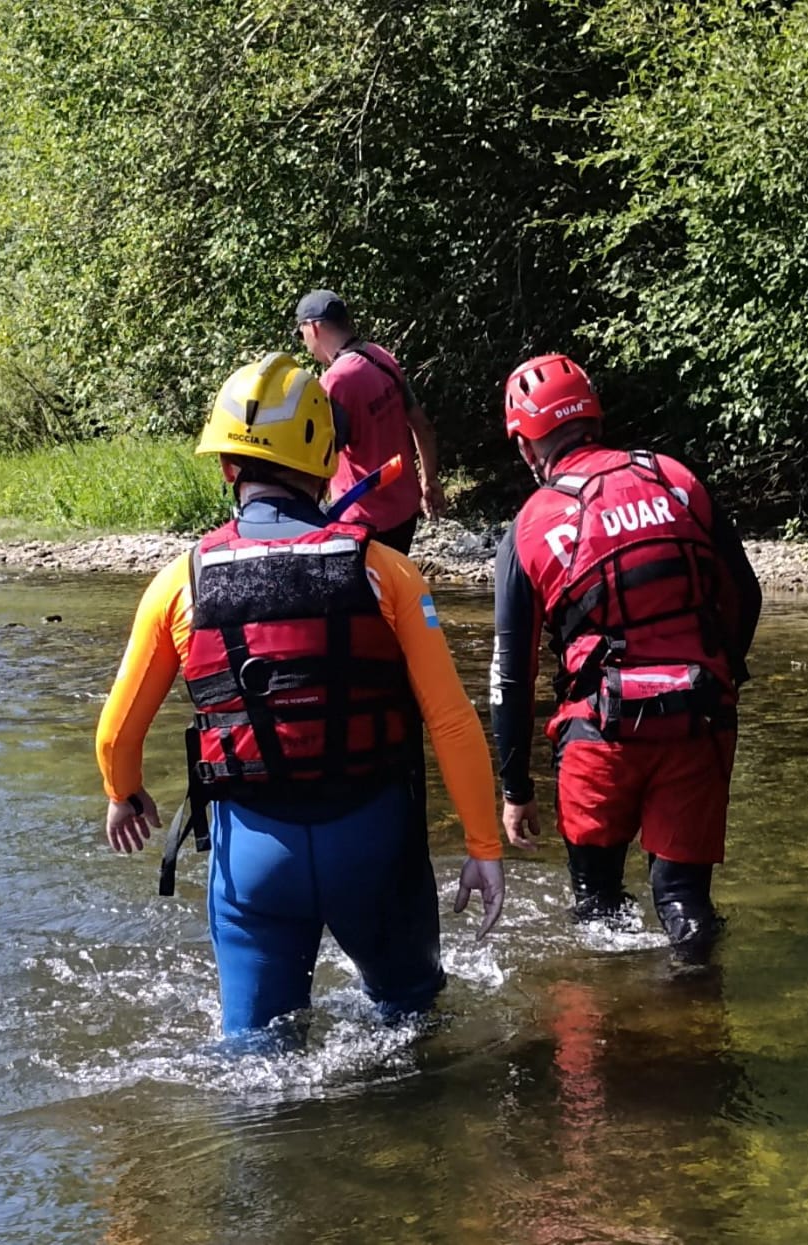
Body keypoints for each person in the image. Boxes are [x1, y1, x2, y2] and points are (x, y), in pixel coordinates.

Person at [95, 352, 503, 1040]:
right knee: (415, 1022)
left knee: (256, 1057)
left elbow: (115, 733)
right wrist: (482, 845)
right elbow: (452, 722)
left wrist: (122, 790)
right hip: (373, 845)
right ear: (326, 465)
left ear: (228, 466)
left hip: (254, 856)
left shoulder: (179, 580)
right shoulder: (388, 571)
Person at [489, 353, 762, 958]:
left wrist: (514, 787)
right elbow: (745, 593)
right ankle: (697, 1012)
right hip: (699, 716)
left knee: (598, 905)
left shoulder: (530, 525)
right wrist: (723, 671)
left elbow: (511, 675)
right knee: (684, 898)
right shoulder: (674, 478)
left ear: (527, 446)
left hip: (599, 733)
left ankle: (613, 1034)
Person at [292, 289, 446, 554]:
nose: (304, 342)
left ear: (314, 328)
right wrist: (429, 480)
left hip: (360, 522)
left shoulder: (334, 383)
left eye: (302, 332)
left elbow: (320, 460)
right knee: (394, 591)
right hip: (405, 511)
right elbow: (422, 425)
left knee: (366, 595)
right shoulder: (379, 356)